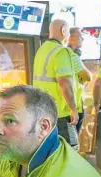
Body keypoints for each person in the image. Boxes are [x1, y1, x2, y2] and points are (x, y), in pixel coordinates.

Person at [33, 19, 79, 147]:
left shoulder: (41, 50)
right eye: (68, 32)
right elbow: (65, 84)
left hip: (42, 112)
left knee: (48, 151)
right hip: (59, 114)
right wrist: (74, 109)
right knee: (70, 149)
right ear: (63, 30)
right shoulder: (60, 51)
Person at [68, 27, 93, 133]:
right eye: (80, 36)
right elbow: (88, 77)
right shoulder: (71, 55)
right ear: (71, 38)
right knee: (73, 141)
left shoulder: (69, 55)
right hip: (72, 107)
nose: (83, 39)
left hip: (73, 104)